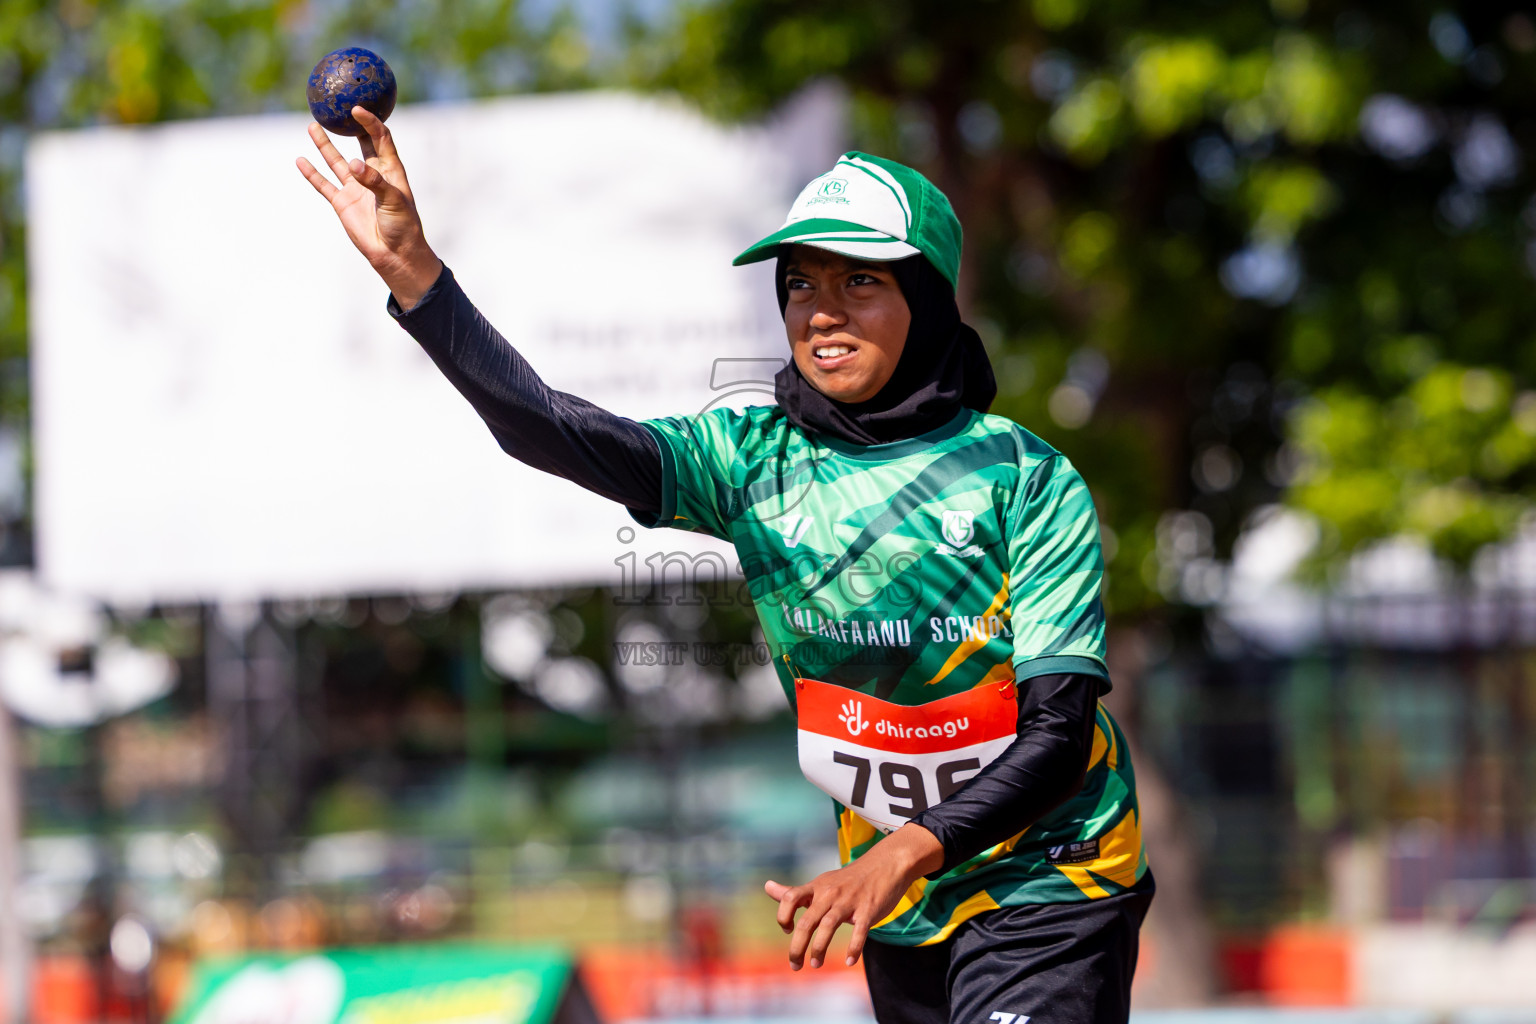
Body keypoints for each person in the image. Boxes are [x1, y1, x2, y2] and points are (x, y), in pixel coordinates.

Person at [298, 107, 1152, 1024]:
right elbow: (550, 428)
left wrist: (893, 856)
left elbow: (1057, 737)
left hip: (1053, 878)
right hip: (901, 905)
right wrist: (418, 280)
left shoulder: (1022, 476)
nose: (822, 312)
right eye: (800, 286)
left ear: (929, 298)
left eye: (860, 281)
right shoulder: (751, 456)